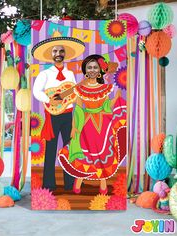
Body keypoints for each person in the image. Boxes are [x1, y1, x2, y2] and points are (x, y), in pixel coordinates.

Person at [58, 54, 127, 194]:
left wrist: (118, 96)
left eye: (95, 67)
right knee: (85, 154)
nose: (92, 70)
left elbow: (107, 106)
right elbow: (77, 109)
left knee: (102, 154)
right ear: (85, 70)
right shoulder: (80, 89)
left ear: (100, 70)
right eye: (89, 67)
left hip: (103, 124)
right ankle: (79, 180)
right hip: (86, 124)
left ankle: (103, 181)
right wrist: (74, 127)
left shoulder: (105, 88)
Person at [32, 33, 85, 191]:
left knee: (69, 149)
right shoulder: (45, 74)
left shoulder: (70, 75)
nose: (58, 54)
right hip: (53, 116)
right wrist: (49, 100)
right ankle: (49, 183)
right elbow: (36, 91)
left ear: (65, 54)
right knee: (51, 149)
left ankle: (70, 183)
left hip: (68, 115)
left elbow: (74, 93)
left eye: (61, 51)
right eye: (55, 51)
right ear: (51, 54)